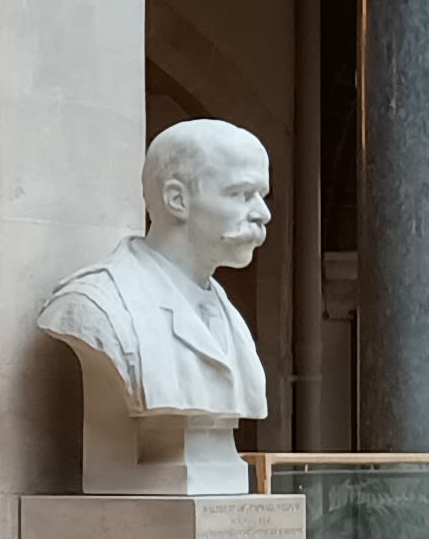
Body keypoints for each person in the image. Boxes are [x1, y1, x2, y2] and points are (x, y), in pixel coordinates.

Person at [40, 118, 273, 492]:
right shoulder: (99, 308)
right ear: (177, 199)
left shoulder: (229, 317)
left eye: (263, 195)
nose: (263, 213)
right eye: (242, 194)